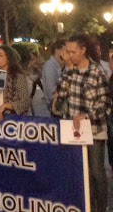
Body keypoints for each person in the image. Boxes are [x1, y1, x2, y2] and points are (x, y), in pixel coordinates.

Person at [56, 34, 110, 212]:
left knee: (96, 171)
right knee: (82, 171)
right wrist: (68, 69)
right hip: (75, 131)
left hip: (94, 129)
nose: (69, 55)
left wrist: (87, 115)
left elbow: (106, 104)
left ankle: (101, 206)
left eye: (73, 52)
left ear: (83, 50)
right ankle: (88, 205)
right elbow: (61, 94)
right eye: (67, 52)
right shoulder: (70, 71)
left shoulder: (96, 72)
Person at [0, 46, 31, 120]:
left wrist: (6, 106)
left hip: (16, 121)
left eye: (1, 55)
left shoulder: (18, 77)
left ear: (9, 58)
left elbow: (25, 102)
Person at [41, 39, 66, 113]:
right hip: (56, 105)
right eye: (65, 50)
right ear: (57, 50)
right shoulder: (50, 66)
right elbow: (51, 90)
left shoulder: (62, 65)